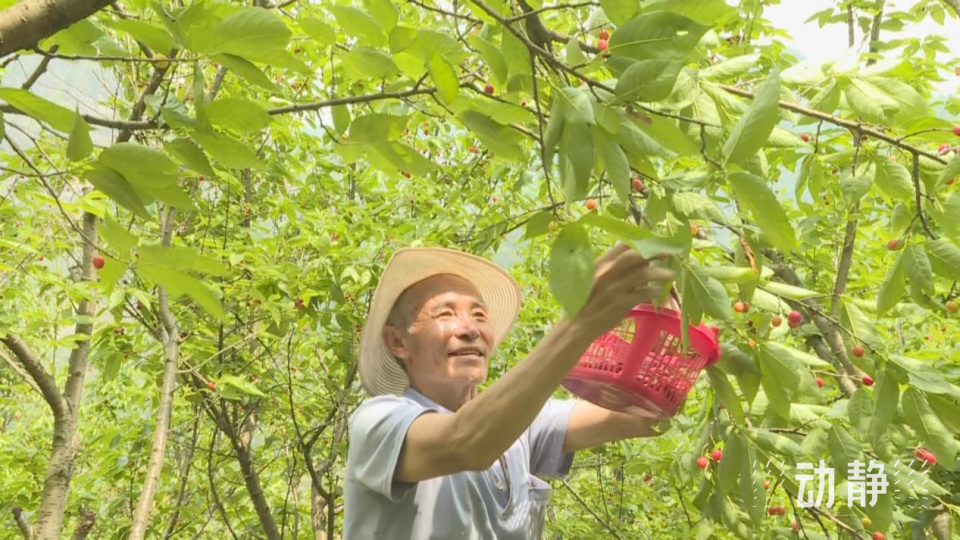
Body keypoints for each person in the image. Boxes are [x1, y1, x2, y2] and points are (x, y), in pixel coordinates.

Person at [343, 244, 676, 539]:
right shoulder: (378, 421)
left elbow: (639, 415)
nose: (470, 329)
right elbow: (466, 442)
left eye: (479, 315)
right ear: (398, 341)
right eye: (445, 313)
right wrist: (579, 323)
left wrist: (671, 337)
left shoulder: (519, 428)